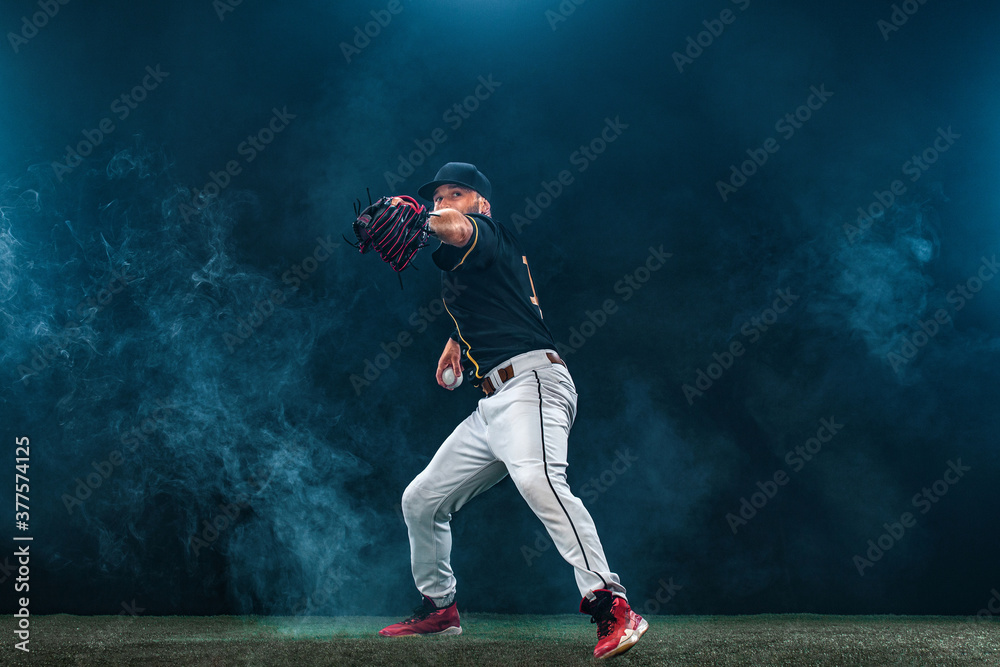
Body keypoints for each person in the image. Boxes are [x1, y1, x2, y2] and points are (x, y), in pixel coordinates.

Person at [377, 162, 647, 659]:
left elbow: (456, 228)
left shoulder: (485, 232)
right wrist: (457, 341)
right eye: (435, 197)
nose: (442, 204)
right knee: (421, 500)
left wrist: (417, 215)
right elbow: (496, 303)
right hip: (494, 401)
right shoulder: (473, 266)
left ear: (481, 204)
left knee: (539, 481)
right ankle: (440, 608)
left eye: (454, 194)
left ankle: (613, 604)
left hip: (533, 386)